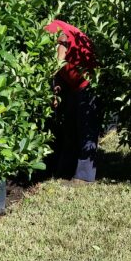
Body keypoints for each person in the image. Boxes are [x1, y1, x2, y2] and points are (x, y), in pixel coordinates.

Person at [45, 19, 100, 183]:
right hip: (74, 85)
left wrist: (49, 79)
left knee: (86, 129)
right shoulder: (57, 27)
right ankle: (65, 170)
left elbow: (59, 56)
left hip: (88, 84)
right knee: (70, 127)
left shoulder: (54, 29)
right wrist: (55, 90)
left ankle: (85, 177)